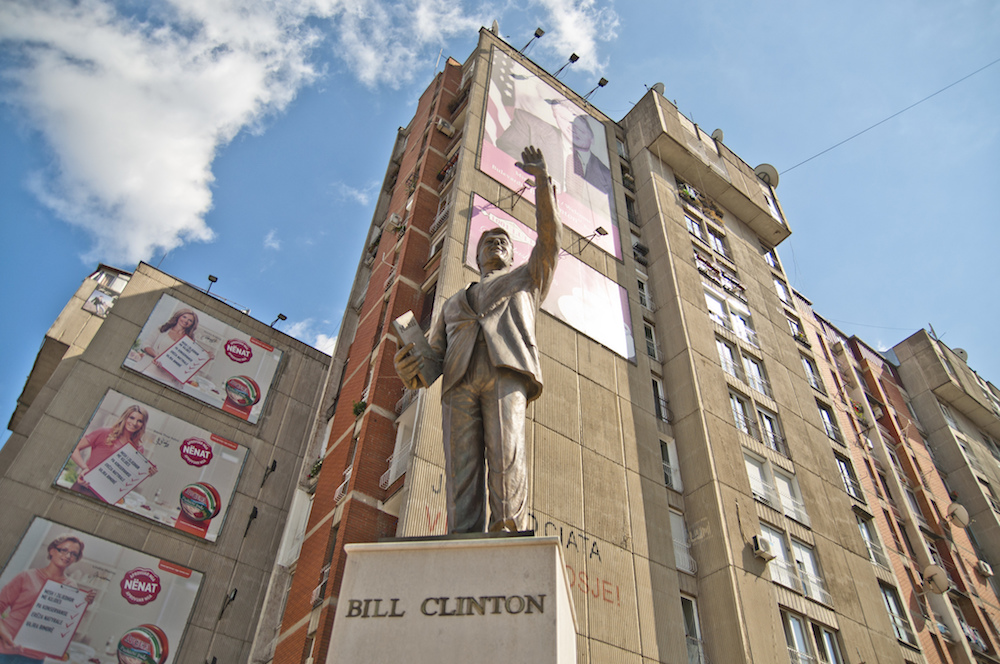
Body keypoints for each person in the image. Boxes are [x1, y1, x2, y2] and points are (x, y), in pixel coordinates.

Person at [395, 146, 561, 534]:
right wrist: (409, 367)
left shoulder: (527, 279)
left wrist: (541, 184)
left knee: (507, 454)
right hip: (457, 381)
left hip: (506, 372)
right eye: (488, 241)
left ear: (512, 254)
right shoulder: (453, 303)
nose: (496, 244)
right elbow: (432, 359)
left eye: (503, 242)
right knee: (461, 467)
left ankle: (507, 528)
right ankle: (463, 534)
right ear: (477, 254)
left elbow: (550, 240)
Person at [0, 535, 96, 663]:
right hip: (4, 647)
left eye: (73, 554)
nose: (68, 556)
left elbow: (63, 622)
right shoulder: (26, 576)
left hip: (34, 657)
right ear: (52, 550)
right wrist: (3, 634)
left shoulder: (71, 586)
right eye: (64, 550)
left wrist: (83, 602)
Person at [69, 405, 156, 500]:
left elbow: (126, 475)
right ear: (125, 417)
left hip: (106, 496)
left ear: (143, 425)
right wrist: (85, 468)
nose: (134, 423)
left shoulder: (139, 449)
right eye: (131, 418)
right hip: (85, 487)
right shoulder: (104, 432)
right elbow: (75, 448)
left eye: (140, 421)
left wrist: (145, 472)